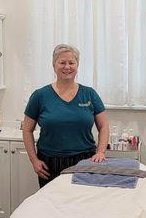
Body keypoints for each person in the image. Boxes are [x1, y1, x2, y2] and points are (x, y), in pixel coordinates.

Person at [22, 44, 110, 187]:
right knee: (53, 206)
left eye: (71, 62)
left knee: (81, 205)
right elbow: (27, 130)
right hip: (50, 163)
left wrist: (100, 152)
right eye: (62, 62)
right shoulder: (40, 96)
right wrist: (34, 160)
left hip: (84, 161)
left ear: (77, 65)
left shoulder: (89, 94)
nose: (67, 67)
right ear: (54, 65)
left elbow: (104, 126)